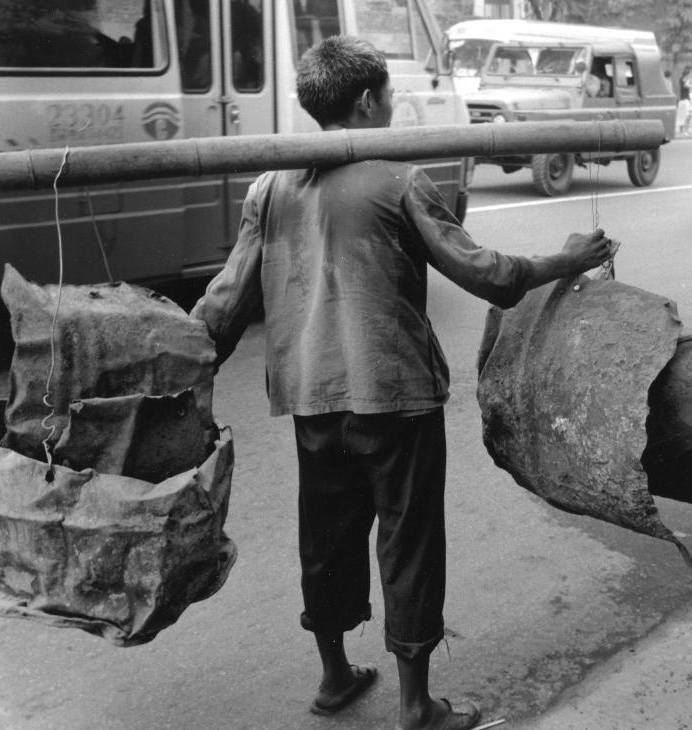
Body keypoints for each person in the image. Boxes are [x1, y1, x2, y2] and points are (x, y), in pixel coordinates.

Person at [190, 35, 616, 730]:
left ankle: (335, 679)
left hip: (311, 399)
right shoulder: (399, 181)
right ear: (366, 100)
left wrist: (174, 366)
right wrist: (565, 258)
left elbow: (225, 304)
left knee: (325, 538)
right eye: (388, 96)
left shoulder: (269, 185)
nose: (392, 107)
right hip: (395, 398)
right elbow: (491, 276)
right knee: (409, 543)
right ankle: (416, 706)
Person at [676, 65, 692, 135]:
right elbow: (687, 86)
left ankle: (684, 130)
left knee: (684, 115)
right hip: (685, 99)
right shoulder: (684, 79)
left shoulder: (683, 78)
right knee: (685, 115)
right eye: (690, 72)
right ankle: (684, 131)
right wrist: (691, 83)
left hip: (685, 98)